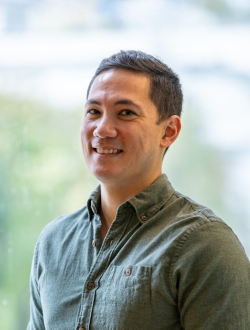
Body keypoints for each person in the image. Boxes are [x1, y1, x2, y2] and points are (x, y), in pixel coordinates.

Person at [27, 50, 250, 330]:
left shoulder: (205, 246)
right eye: (93, 112)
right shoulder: (53, 242)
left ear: (169, 131)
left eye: (126, 113)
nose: (103, 129)